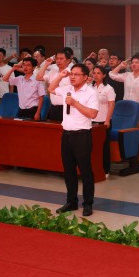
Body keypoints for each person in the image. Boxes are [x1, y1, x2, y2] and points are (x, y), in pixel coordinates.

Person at [48, 64, 99, 217]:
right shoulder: (67, 89)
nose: (72, 77)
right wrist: (60, 76)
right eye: (71, 74)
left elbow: (93, 114)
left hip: (82, 136)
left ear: (85, 77)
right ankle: (71, 202)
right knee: (69, 170)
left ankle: (88, 203)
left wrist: (75, 103)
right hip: (67, 135)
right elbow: (51, 88)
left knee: (85, 171)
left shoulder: (91, 92)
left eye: (77, 74)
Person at [109, 53, 139, 166]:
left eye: (136, 62)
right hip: (127, 112)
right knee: (127, 134)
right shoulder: (127, 75)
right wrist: (121, 65)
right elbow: (112, 75)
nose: (133, 64)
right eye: (132, 63)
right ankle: (128, 156)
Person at [91, 65, 116, 176]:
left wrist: (107, 120)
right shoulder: (90, 87)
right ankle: (93, 168)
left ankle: (105, 170)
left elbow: (111, 105)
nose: (96, 75)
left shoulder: (108, 88)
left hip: (103, 121)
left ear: (104, 75)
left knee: (104, 147)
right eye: (94, 73)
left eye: (98, 73)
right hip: (91, 120)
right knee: (92, 146)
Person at [37, 49, 72, 121]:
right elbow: (38, 78)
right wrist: (46, 65)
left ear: (68, 61)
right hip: (53, 107)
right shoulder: (53, 72)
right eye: (57, 59)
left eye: (61, 59)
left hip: (67, 107)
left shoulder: (71, 73)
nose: (58, 61)